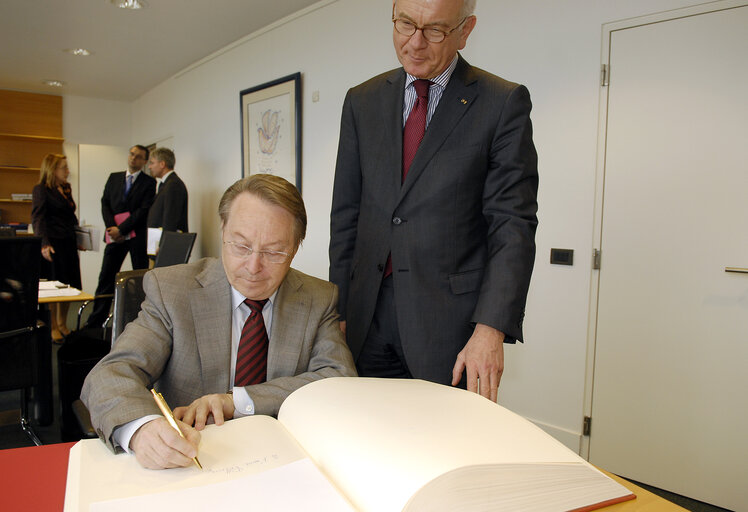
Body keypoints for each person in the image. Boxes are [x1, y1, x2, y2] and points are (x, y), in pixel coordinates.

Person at [329, 0, 538, 403]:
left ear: (466, 30)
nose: (415, 43)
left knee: (443, 448)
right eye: (405, 24)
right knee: (367, 437)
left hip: (451, 329)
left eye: (435, 30)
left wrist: (490, 329)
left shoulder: (501, 103)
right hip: (365, 317)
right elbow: (347, 215)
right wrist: (336, 310)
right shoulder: (362, 100)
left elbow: (511, 225)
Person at [82, 174, 356, 469]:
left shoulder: (318, 297)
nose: (253, 267)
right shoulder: (173, 291)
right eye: (240, 246)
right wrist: (141, 429)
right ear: (222, 230)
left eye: (274, 251)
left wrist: (239, 401)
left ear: (296, 246)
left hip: (283, 462)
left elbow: (337, 377)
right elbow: (110, 374)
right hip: (192, 461)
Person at [85, 145, 156, 327]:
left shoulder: (149, 183)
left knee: (140, 278)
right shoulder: (114, 177)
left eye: (139, 157)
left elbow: (143, 210)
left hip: (136, 237)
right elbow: (105, 203)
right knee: (106, 277)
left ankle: (138, 320)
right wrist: (112, 228)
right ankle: (95, 322)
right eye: (132, 154)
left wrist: (122, 229)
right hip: (114, 236)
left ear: (144, 162)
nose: (133, 158)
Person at [31, 154, 83, 342]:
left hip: (68, 242)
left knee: (69, 285)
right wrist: (43, 243)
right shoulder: (41, 190)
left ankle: (62, 324)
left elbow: (70, 217)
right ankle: (53, 326)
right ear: (53, 170)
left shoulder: (66, 189)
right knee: (55, 287)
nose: (68, 171)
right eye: (64, 168)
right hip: (52, 244)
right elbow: (38, 218)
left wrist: (81, 238)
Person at [146, 147, 188, 235]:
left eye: (152, 163)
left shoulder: (173, 185)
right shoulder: (166, 184)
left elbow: (171, 219)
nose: (149, 167)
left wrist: (163, 244)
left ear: (162, 164)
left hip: (169, 243)